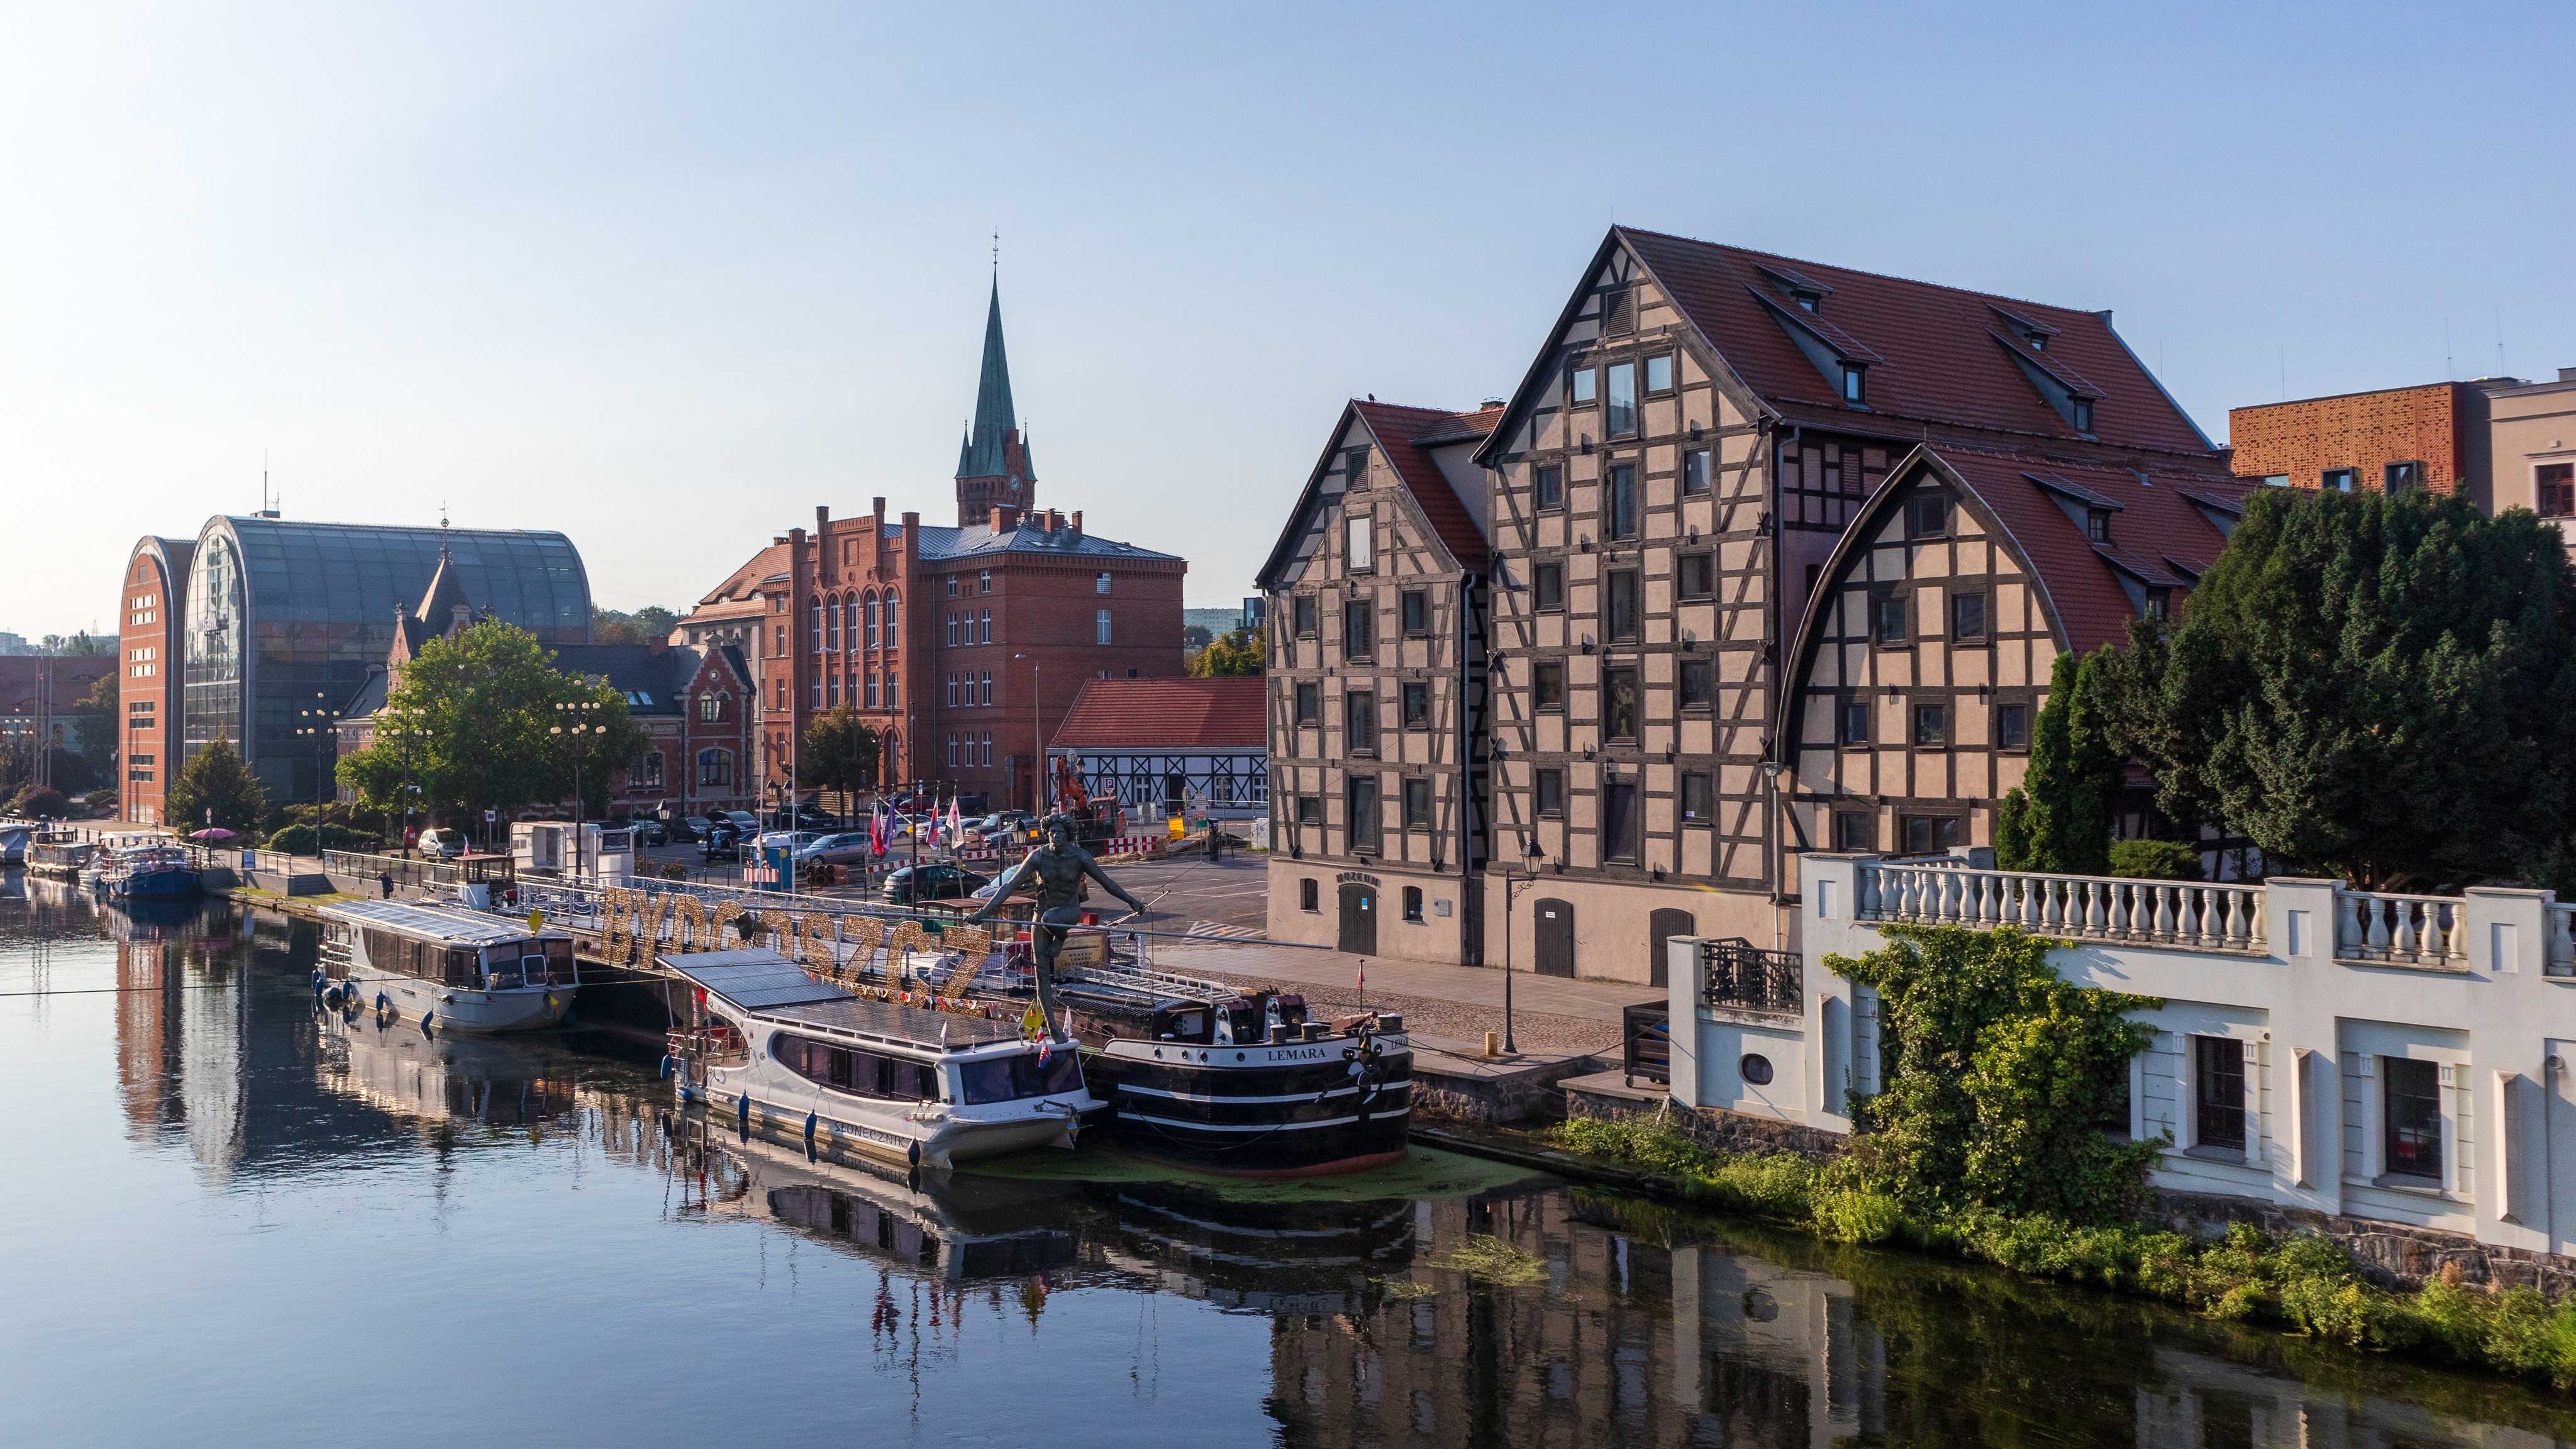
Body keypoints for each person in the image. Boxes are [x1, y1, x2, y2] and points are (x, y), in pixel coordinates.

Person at [967, 813, 1148, 1041]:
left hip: (1068, 911)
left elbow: (1107, 883)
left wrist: (1131, 900)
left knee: (1050, 918)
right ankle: (1052, 1026)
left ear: (1068, 835)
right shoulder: (1038, 856)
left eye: (1060, 833)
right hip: (1042, 913)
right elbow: (1010, 886)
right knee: (1041, 972)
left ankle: (1060, 939)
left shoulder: (1080, 857)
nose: (1055, 836)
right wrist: (984, 912)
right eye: (1052, 832)